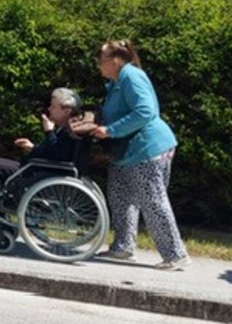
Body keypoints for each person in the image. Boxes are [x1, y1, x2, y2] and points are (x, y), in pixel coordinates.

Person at [78, 39, 190, 271]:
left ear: (116, 61)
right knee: (120, 195)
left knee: (153, 201)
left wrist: (110, 130)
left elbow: (145, 111)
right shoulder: (116, 82)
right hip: (127, 152)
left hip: (147, 149)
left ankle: (175, 254)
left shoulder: (131, 77)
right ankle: (123, 246)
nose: (98, 64)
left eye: (101, 60)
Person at [0, 87, 86, 230]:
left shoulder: (69, 131)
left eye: (53, 106)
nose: (49, 109)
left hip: (44, 175)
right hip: (41, 170)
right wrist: (33, 147)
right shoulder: (65, 128)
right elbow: (52, 152)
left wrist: (49, 131)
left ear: (66, 111)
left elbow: (57, 155)